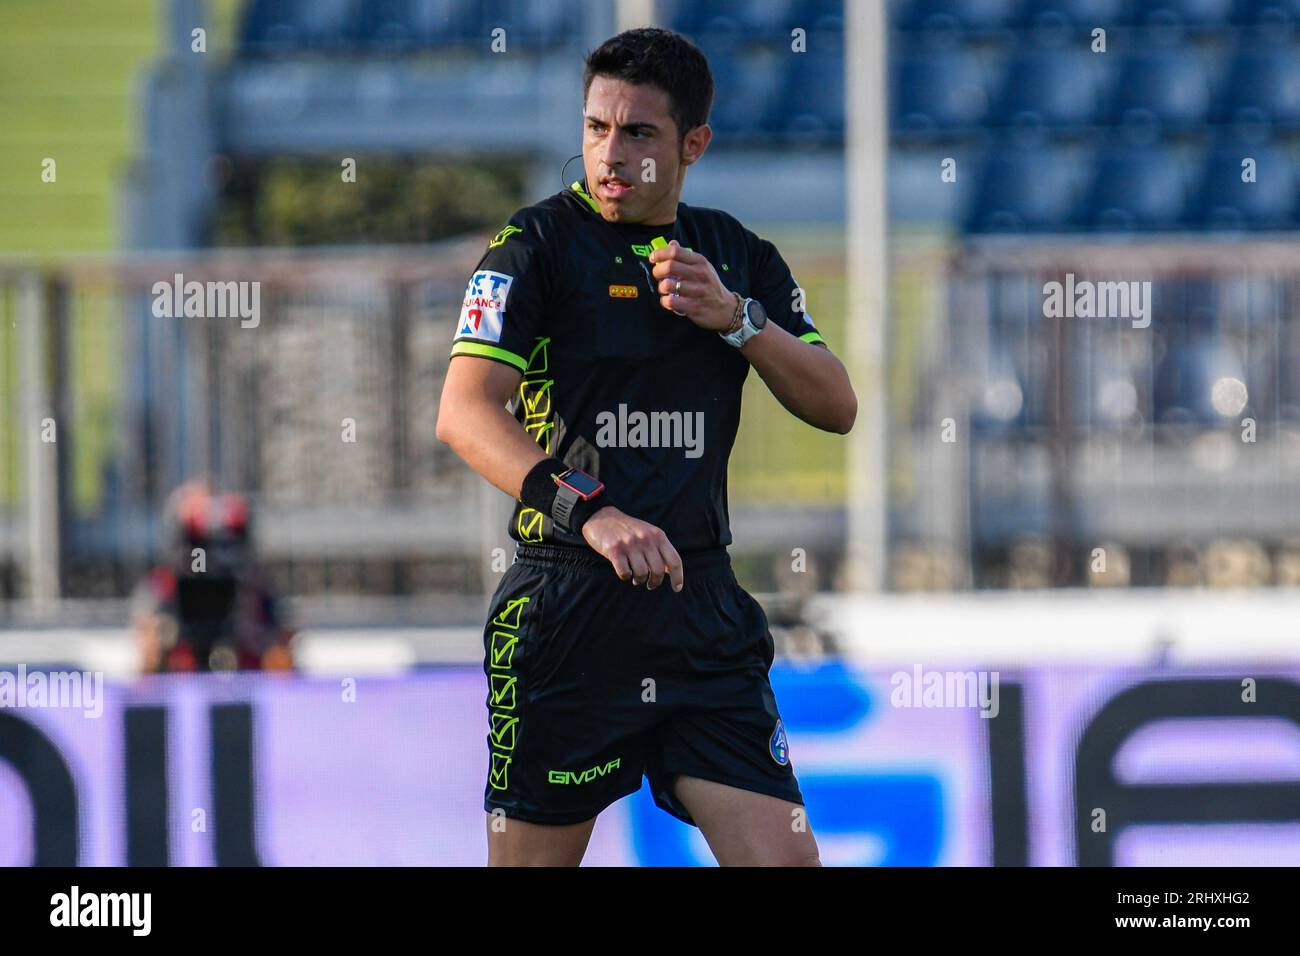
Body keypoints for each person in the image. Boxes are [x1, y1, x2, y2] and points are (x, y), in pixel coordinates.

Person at [436, 27, 856, 866]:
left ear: (693, 144)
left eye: (638, 134)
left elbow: (835, 402)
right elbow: (465, 416)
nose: (610, 155)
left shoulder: (734, 255)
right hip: (567, 611)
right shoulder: (535, 246)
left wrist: (739, 320)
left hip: (701, 611)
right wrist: (588, 510)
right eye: (596, 129)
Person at [132, 481, 295, 673]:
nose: (212, 565)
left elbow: (285, 664)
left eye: (226, 547)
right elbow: (145, 672)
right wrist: (162, 642)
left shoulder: (259, 588)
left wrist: (259, 640)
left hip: (245, 684)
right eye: (200, 547)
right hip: (183, 688)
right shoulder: (163, 587)